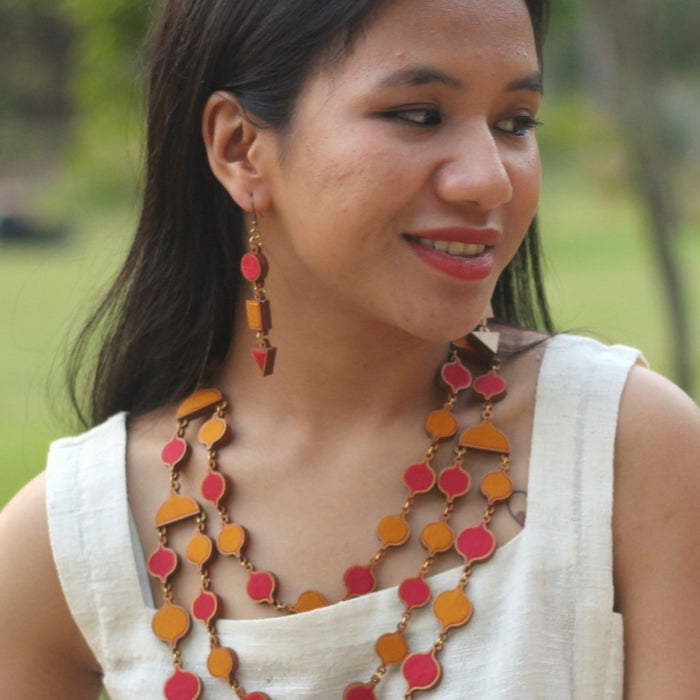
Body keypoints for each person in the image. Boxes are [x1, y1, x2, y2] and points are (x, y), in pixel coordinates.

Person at [1, 0, 698, 697]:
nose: (491, 179)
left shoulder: (627, 456)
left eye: (514, 123)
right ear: (240, 146)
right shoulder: (78, 538)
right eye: (420, 115)